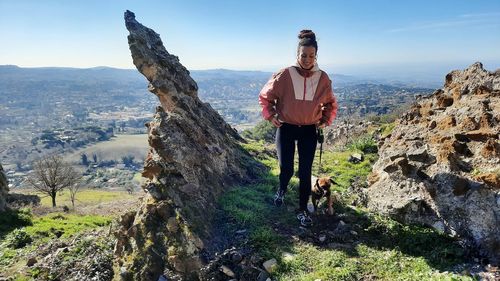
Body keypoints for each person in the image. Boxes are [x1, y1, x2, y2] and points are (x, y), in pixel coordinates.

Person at [258, 29, 338, 227]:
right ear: (297, 54)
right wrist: (271, 115)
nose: (307, 59)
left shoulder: (323, 78)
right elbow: (265, 97)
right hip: (286, 127)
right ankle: (282, 190)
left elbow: (331, 103)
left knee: (305, 172)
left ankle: (302, 209)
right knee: (286, 167)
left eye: (311, 56)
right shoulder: (285, 74)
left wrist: (325, 120)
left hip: (309, 130)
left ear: (316, 56)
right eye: (304, 55)